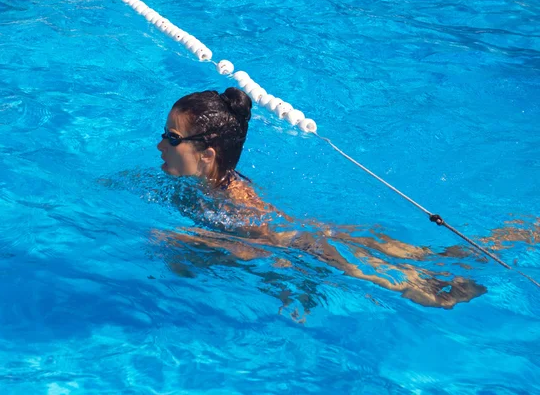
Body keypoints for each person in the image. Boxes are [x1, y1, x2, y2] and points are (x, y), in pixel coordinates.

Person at [154, 87, 534, 310]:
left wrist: (196, 244)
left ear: (207, 155)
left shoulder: (234, 198)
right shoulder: (220, 184)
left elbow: (257, 245)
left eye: (172, 138)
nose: (160, 144)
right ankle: (514, 235)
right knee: (431, 256)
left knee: (436, 293)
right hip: (319, 234)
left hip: (311, 244)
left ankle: (504, 250)